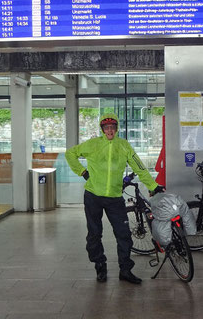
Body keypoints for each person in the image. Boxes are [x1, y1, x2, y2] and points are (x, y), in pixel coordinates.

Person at [65, 113, 163, 284]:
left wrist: (153, 186)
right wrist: (82, 171)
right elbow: (70, 153)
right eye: (106, 127)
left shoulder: (123, 146)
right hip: (93, 196)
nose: (109, 130)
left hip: (115, 197)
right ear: (102, 129)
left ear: (116, 129)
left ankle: (125, 270)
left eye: (112, 127)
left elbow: (139, 168)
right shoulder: (93, 144)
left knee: (123, 234)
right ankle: (100, 266)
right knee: (94, 234)